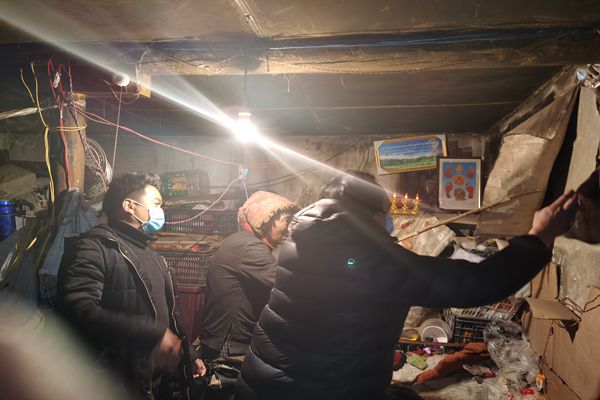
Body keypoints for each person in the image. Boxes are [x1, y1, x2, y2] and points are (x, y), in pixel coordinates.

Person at [235, 171, 578, 400]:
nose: (389, 221)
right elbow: (476, 283)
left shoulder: (301, 243)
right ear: (369, 214)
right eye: (385, 212)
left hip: (263, 385)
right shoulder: (368, 258)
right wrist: (540, 236)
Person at [56, 172, 204, 400]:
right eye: (156, 203)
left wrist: (188, 354)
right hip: (116, 382)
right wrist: (152, 333)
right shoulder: (93, 247)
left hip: (154, 382)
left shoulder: (153, 255)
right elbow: (77, 308)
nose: (161, 211)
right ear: (129, 206)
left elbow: (171, 316)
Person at [198, 191, 297, 361]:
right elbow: (288, 284)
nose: (288, 228)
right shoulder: (249, 247)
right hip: (229, 346)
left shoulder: (242, 240)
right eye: (286, 220)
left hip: (228, 340)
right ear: (265, 219)